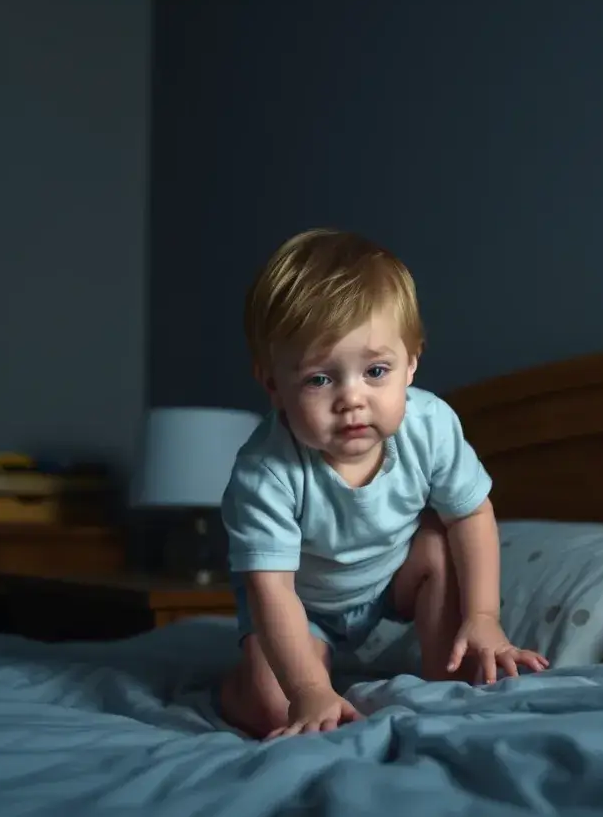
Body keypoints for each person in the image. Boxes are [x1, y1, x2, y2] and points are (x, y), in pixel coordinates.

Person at [219, 228, 548, 739]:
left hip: (390, 581)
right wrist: (309, 689)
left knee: (438, 544)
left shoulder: (431, 425)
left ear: (411, 364)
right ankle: (241, 686)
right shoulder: (265, 472)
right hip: (299, 604)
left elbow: (472, 513)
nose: (352, 398)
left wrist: (484, 616)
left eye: (375, 370)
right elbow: (272, 588)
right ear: (273, 385)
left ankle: (447, 661)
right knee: (275, 711)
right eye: (319, 379)